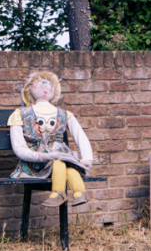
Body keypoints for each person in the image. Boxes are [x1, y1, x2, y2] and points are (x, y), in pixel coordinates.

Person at [7, 72, 93, 207]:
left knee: (62, 163)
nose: (46, 86)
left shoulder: (65, 114)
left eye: (49, 84)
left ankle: (74, 193)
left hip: (61, 158)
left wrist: (88, 158)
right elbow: (19, 146)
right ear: (30, 89)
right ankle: (63, 193)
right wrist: (39, 156)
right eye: (41, 83)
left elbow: (80, 136)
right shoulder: (20, 114)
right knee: (59, 163)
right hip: (35, 165)